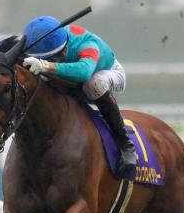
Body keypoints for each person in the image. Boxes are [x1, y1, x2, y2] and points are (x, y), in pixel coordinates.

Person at [15, 16, 138, 175]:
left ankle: (125, 145)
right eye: (43, 59)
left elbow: (84, 72)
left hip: (107, 74)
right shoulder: (37, 42)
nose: (48, 61)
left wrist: (46, 65)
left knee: (93, 85)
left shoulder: (86, 43)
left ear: (64, 48)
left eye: (52, 58)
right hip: (75, 81)